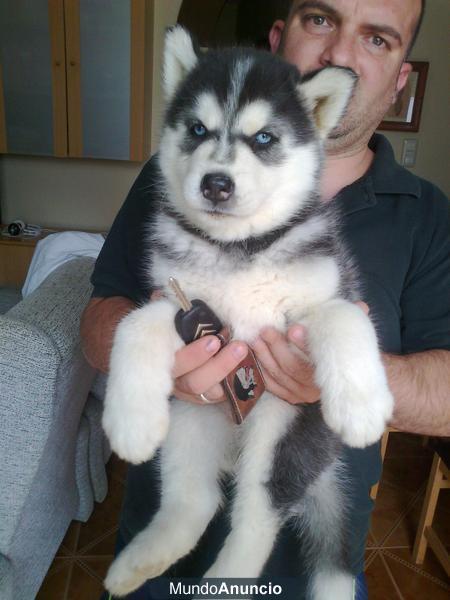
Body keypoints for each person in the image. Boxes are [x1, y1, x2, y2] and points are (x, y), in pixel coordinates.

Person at [81, 0, 450, 598]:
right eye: (321, 19)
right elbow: (104, 316)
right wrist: (152, 366)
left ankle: (253, 539)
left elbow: (348, 328)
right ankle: (183, 515)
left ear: (401, 76)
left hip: (301, 563)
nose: (340, 53)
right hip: (165, 560)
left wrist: (340, 377)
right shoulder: (168, 181)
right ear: (280, 36)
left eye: (377, 39)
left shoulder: (429, 217)